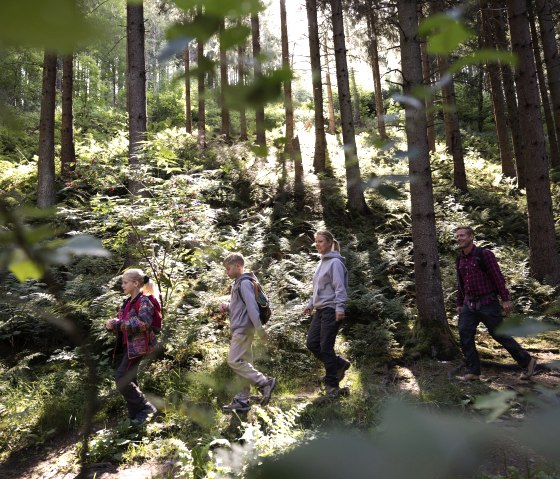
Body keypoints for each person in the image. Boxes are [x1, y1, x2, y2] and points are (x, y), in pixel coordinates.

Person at [455, 226, 537, 381]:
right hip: (469, 304)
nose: (459, 238)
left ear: (471, 237)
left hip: (488, 302)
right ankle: (473, 371)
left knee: (499, 335)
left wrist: (505, 299)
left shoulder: (484, 255)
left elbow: (497, 277)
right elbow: (460, 283)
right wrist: (460, 302)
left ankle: (527, 361)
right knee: (464, 334)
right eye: (457, 236)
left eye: (463, 235)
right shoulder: (460, 258)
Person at [220, 253, 276, 412]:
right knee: (244, 364)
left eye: (228, 268)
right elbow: (242, 307)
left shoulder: (244, 283)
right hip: (243, 328)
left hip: (243, 329)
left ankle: (264, 382)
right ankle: (242, 400)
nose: (227, 272)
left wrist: (260, 329)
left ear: (238, 266)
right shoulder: (240, 283)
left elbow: (252, 307)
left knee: (234, 361)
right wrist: (228, 306)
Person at [105, 268, 159, 425]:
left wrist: (119, 323)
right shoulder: (127, 302)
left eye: (125, 282)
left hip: (139, 347)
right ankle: (136, 417)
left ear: (136, 283)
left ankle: (147, 408)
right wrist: (110, 325)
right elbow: (122, 323)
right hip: (128, 347)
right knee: (130, 379)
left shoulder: (144, 301)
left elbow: (143, 323)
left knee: (121, 378)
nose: (122, 285)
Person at [304, 230, 350, 397]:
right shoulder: (322, 262)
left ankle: (332, 384)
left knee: (326, 346)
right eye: (316, 241)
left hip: (331, 309)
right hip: (320, 309)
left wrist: (340, 308)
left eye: (321, 241)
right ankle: (339, 364)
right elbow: (317, 288)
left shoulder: (335, 263)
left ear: (330, 242)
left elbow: (340, 287)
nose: (317, 244)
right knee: (312, 343)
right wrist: (310, 304)